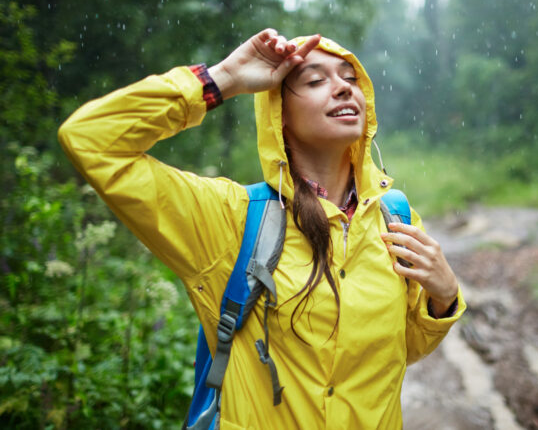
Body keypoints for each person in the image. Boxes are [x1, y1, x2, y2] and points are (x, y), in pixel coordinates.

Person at [58, 28, 466, 429]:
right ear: (279, 116)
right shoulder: (229, 219)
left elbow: (401, 350)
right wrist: (222, 79)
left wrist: (443, 299)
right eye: (316, 80)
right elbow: (91, 140)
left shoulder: (394, 216)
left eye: (350, 77)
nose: (344, 88)